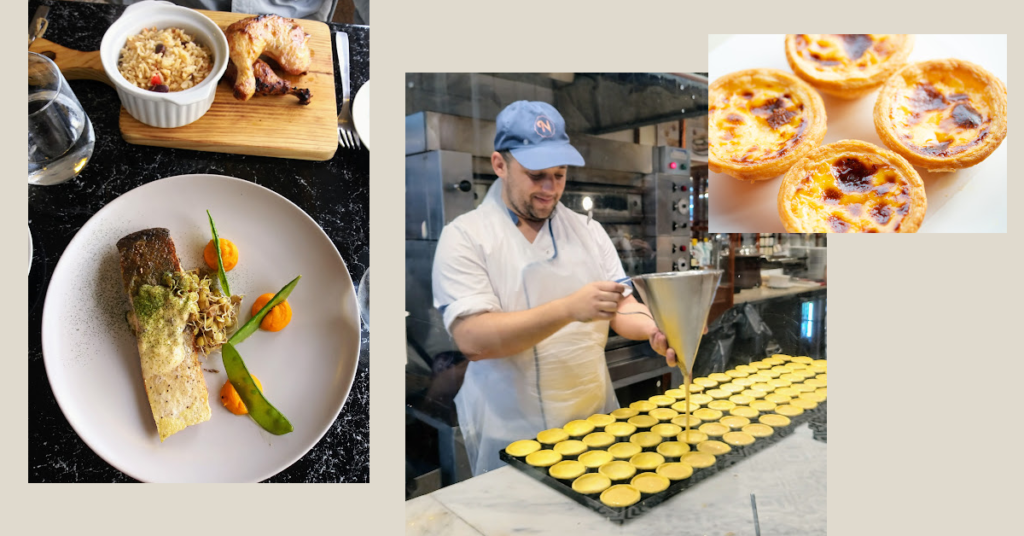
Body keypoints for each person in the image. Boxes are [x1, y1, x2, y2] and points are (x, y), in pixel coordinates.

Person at [432, 101, 678, 476]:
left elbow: (622, 305)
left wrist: (657, 329)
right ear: (500, 164)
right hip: (512, 435)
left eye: (560, 175)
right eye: (536, 175)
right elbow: (473, 340)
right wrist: (568, 309)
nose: (550, 189)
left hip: (593, 425)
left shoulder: (588, 231)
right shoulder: (465, 237)